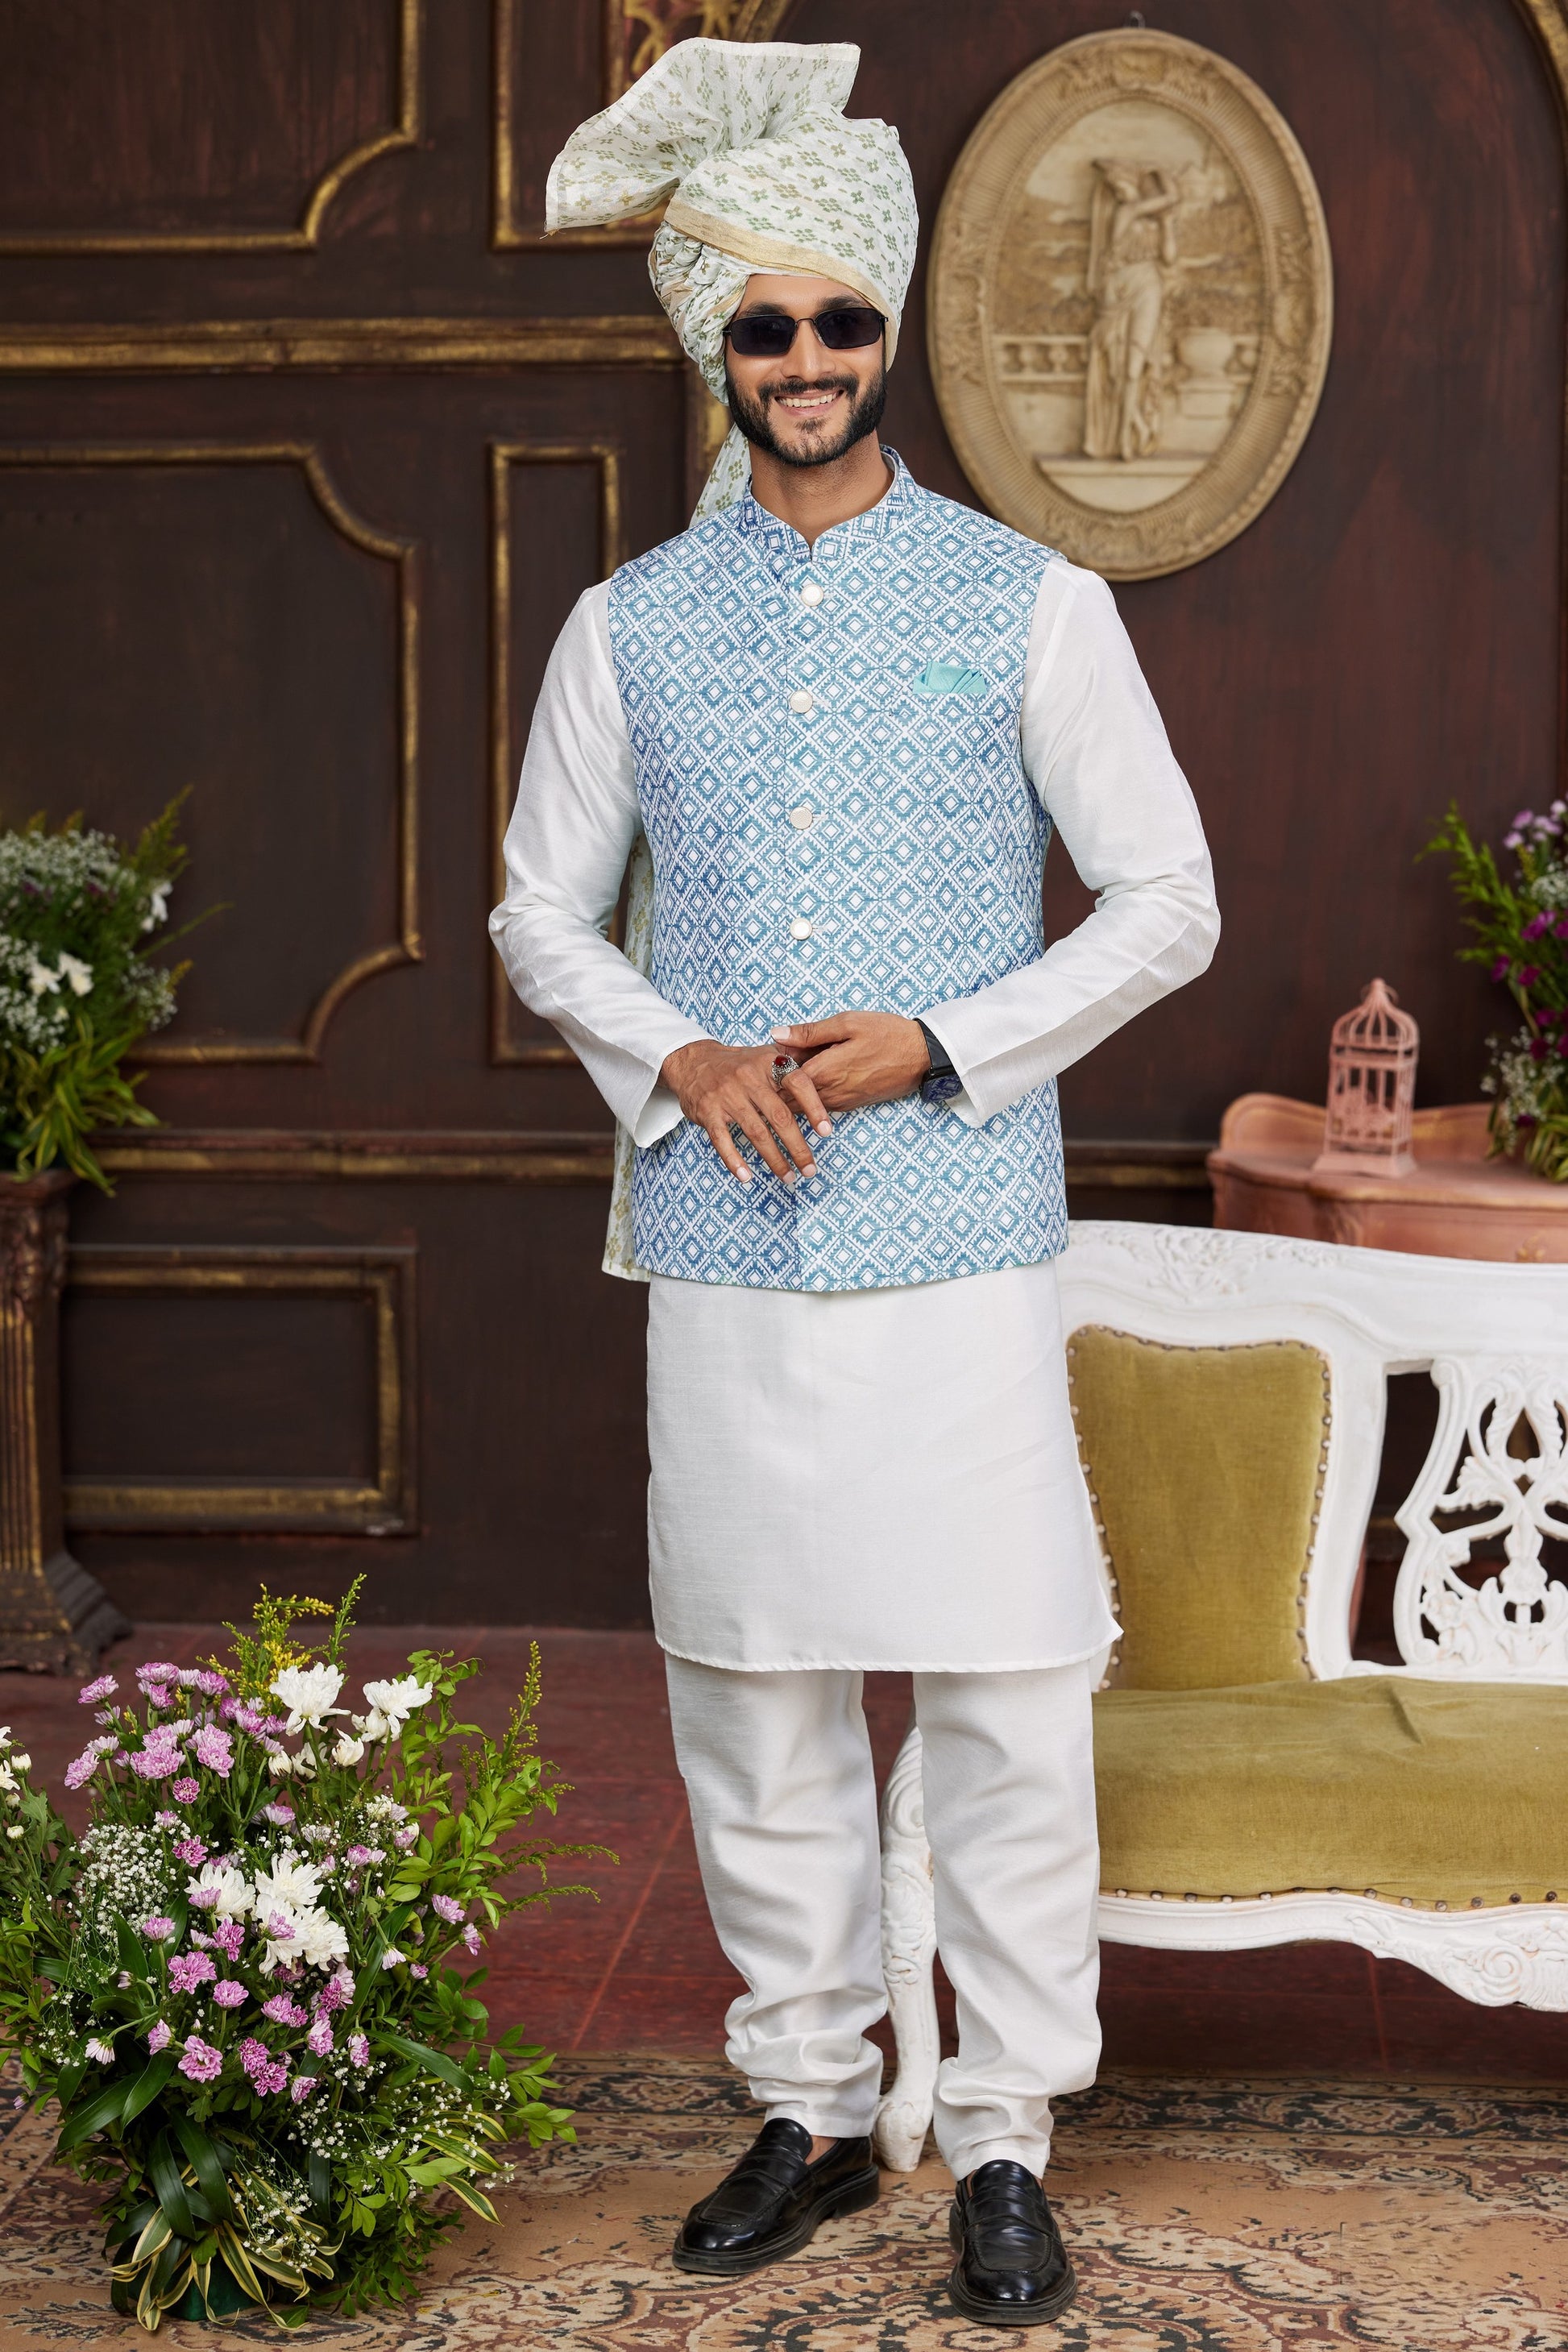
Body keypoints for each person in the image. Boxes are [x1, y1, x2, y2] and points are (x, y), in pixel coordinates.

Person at [492, 37, 1218, 2329]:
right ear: (714, 350)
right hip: (722, 1240)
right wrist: (677, 1053)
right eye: (763, 326)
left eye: (836, 320)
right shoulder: (626, 624)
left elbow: (1167, 900)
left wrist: (950, 1041)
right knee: (752, 1694)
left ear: (884, 331)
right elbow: (533, 913)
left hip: (958, 1242)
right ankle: (809, 2106)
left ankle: (1000, 2132)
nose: (803, 359)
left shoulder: (1027, 598)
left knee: (1003, 1694)